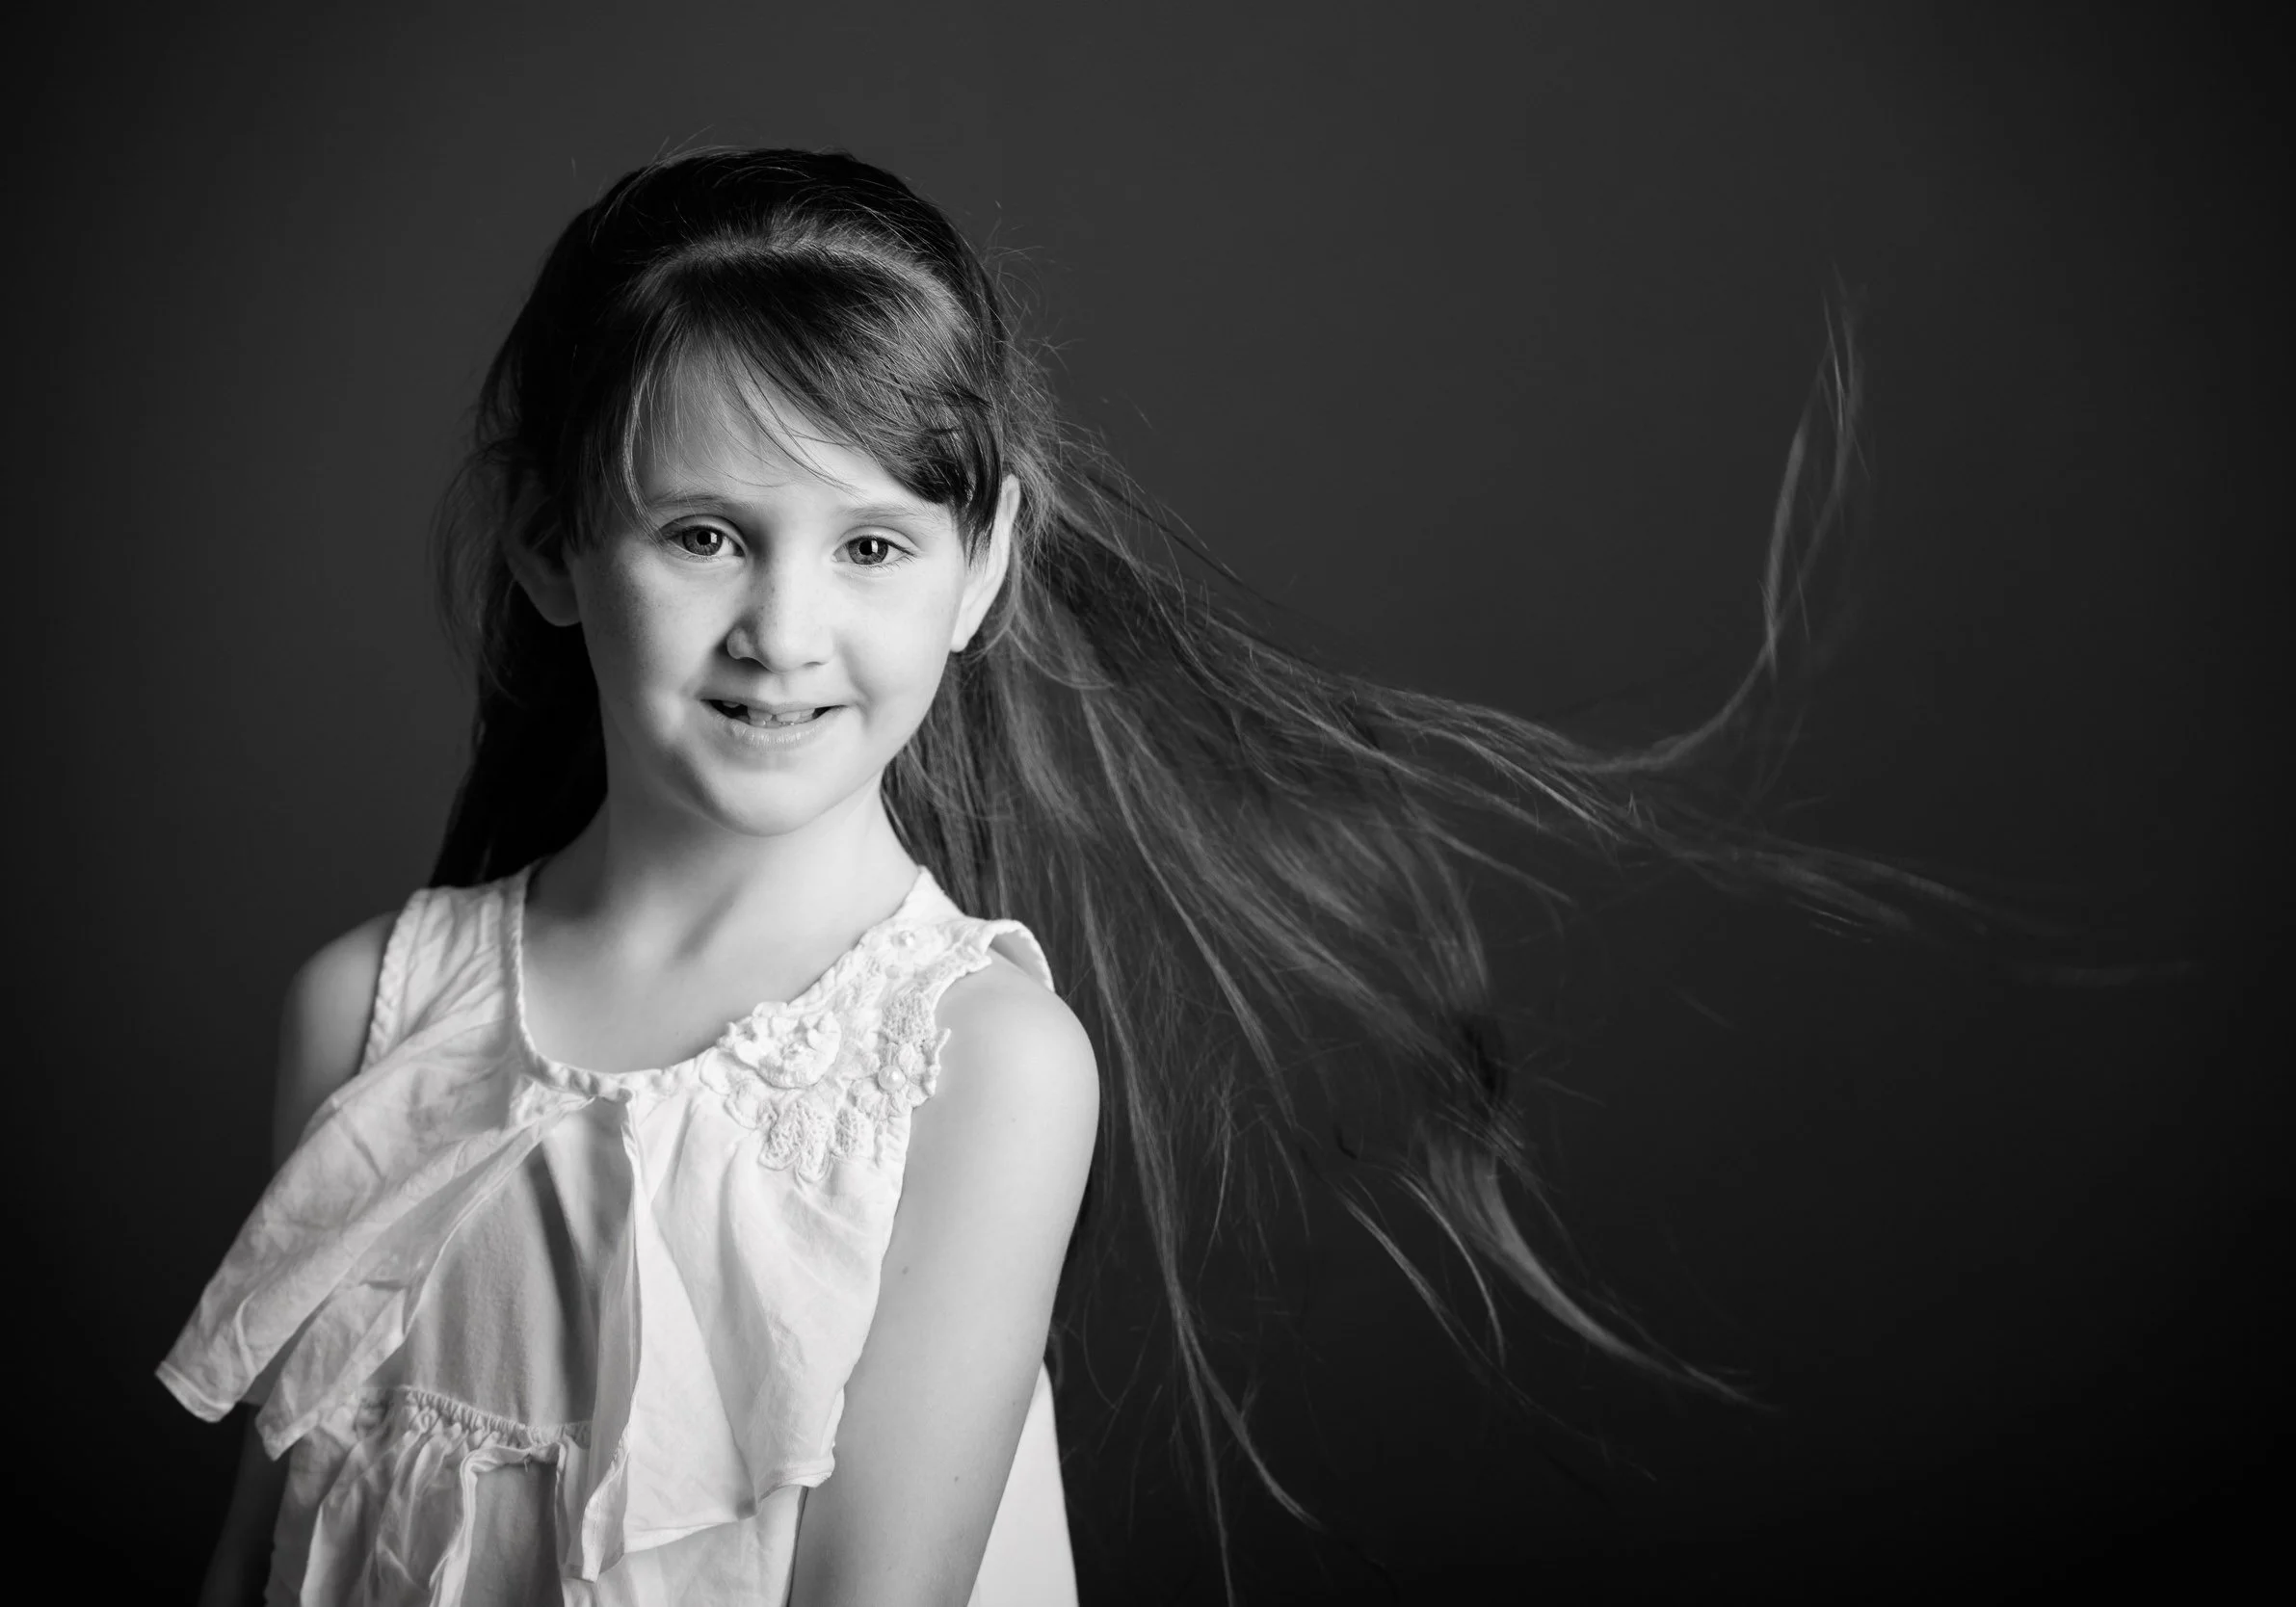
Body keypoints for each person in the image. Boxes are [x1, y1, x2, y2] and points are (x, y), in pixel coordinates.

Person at [162, 146, 1930, 1606]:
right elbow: (272, 1546)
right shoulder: (367, 1015)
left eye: (869, 544)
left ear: (983, 564)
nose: (785, 630)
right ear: (555, 545)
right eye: (703, 535)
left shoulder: (981, 1067)